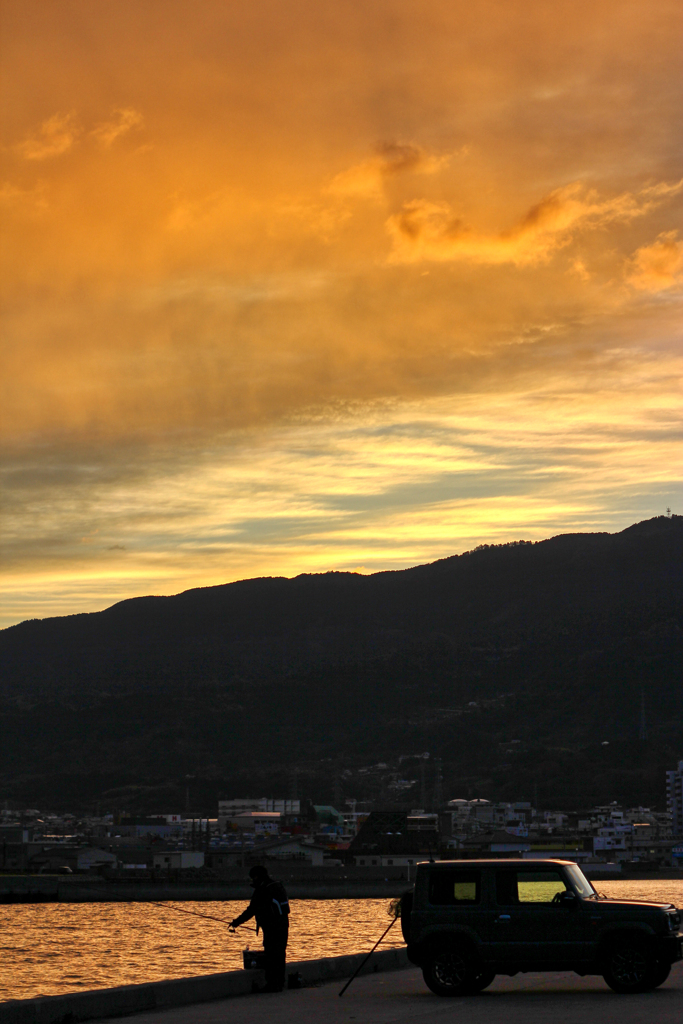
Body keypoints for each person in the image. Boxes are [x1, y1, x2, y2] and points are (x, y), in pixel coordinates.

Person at [230, 865, 290, 992]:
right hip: (283, 924)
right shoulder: (276, 886)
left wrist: (236, 922)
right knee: (280, 954)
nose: (252, 880)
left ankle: (272, 984)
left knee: (271, 954)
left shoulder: (263, 890)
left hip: (271, 927)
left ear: (257, 876)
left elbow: (251, 910)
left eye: (253, 877)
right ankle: (280, 983)